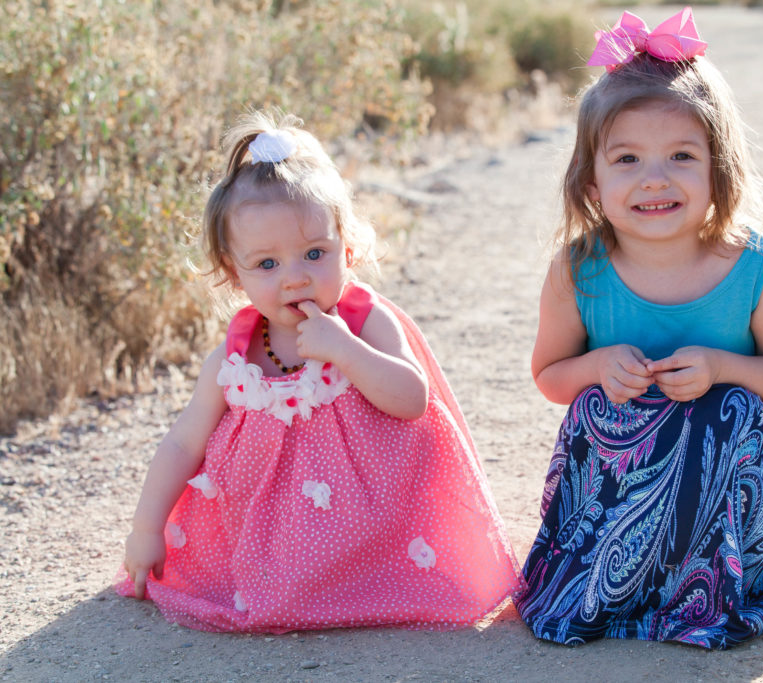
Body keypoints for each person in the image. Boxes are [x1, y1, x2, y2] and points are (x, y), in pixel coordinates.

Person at [117, 111, 520, 633]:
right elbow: (182, 443)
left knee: (406, 575)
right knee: (271, 597)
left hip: (375, 525)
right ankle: (293, 586)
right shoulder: (236, 358)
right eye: (267, 264)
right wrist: (145, 529)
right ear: (231, 272)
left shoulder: (363, 320)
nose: (294, 279)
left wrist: (347, 351)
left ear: (346, 249)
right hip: (274, 537)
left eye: (314, 254)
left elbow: (412, 399)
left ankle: (362, 581)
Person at [514, 8, 763, 649]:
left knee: (728, 410)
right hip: (622, 475)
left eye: (681, 156)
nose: (654, 178)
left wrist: (721, 368)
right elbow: (551, 377)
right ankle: (617, 578)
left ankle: (717, 583)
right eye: (626, 158)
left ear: (719, 167)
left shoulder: (751, 266)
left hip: (734, 469)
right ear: (591, 180)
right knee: (593, 408)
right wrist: (597, 368)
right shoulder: (580, 270)